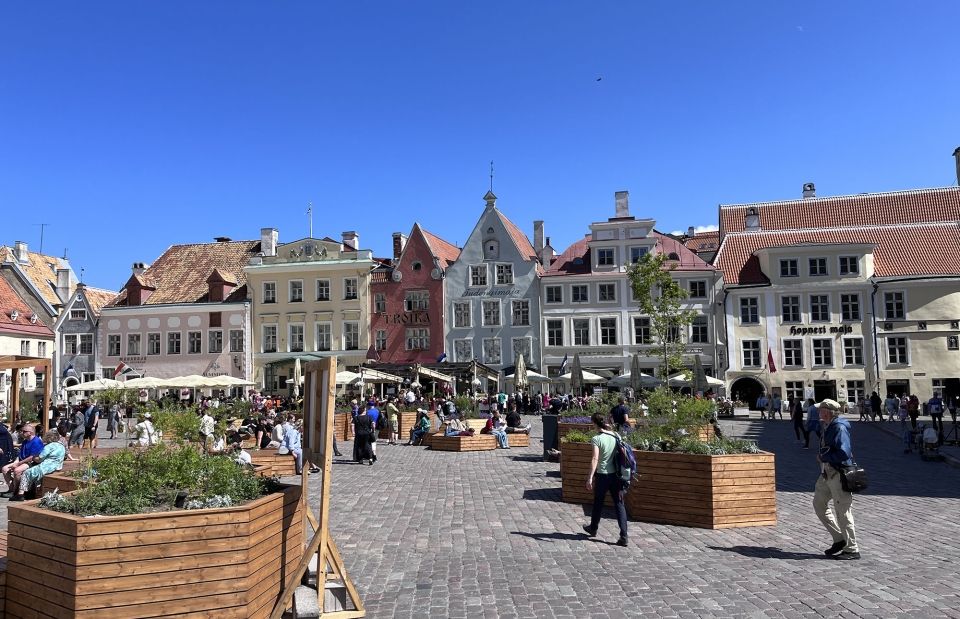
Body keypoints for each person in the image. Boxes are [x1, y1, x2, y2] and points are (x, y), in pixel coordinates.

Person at [813, 398, 860, 560]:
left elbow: (843, 453)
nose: (819, 412)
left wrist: (823, 456)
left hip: (839, 473)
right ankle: (839, 538)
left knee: (843, 512)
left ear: (827, 412)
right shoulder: (828, 425)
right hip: (827, 473)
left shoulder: (839, 427)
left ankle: (852, 549)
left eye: (821, 410)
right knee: (819, 504)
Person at [582, 412, 628, 546]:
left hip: (602, 475)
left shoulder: (597, 438)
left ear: (594, 423)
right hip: (616, 475)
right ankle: (624, 536)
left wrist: (590, 477)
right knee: (619, 504)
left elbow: (595, 458)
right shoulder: (615, 435)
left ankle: (593, 528)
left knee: (598, 502)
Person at [11, 429, 66, 501]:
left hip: (47, 467)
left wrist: (33, 457)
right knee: (32, 473)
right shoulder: (61, 445)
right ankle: (29, 492)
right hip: (58, 467)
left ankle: (20, 494)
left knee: (26, 473)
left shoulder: (49, 446)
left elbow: (39, 459)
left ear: (49, 437)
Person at [1, 424, 43, 496]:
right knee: (4, 469)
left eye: (24, 431)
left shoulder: (37, 441)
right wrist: (16, 462)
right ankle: (12, 489)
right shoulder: (25, 441)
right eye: (21, 431)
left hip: (32, 462)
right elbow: (19, 455)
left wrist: (18, 464)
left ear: (30, 432)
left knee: (17, 470)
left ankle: (16, 491)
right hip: (23, 461)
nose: (21, 433)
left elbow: (32, 457)